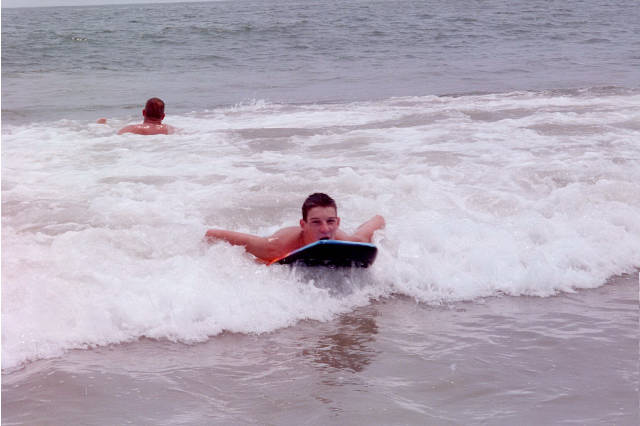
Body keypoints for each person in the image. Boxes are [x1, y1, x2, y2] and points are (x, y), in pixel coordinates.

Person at [205, 193, 385, 263]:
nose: (325, 229)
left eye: (330, 221)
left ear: (337, 223)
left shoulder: (347, 241)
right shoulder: (274, 247)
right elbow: (213, 234)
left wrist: (380, 222)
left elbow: (377, 222)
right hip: (280, 242)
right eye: (316, 222)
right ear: (303, 225)